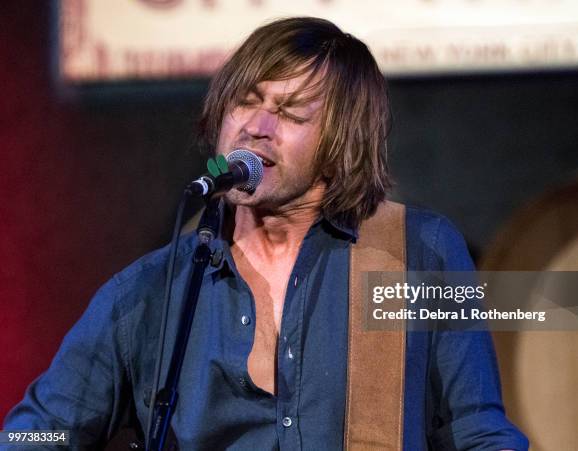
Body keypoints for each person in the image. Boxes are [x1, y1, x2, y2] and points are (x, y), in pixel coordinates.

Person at [3, 17, 528, 450]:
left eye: (290, 112)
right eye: (246, 102)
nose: (257, 125)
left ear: (341, 142)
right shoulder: (150, 293)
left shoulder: (419, 252)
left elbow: (478, 433)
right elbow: (38, 433)